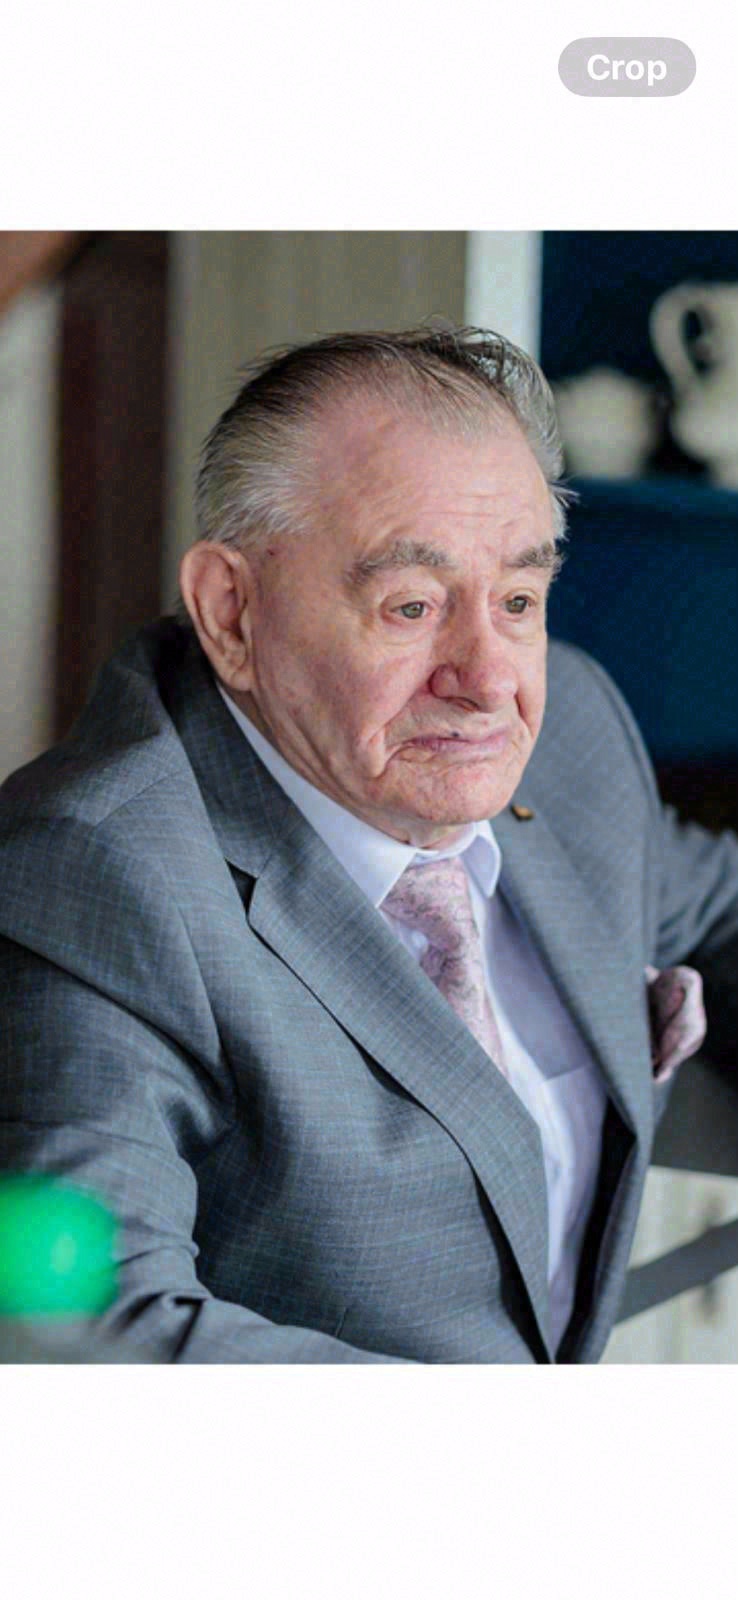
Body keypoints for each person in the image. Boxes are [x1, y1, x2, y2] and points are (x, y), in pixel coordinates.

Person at [0, 326, 734, 1364]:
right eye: (412, 606)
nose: (489, 679)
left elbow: (718, 903)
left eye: (518, 600)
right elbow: (68, 1325)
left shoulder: (570, 736)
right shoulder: (93, 873)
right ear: (231, 611)